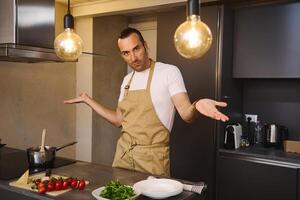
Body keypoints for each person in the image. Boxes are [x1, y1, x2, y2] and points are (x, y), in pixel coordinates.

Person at [64, 27, 229, 176]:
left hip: (153, 160)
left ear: (145, 45)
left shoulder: (168, 72)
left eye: (136, 49)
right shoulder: (127, 80)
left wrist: (196, 105)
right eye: (126, 53)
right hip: (123, 157)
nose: (133, 57)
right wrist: (88, 100)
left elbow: (186, 114)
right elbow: (118, 120)